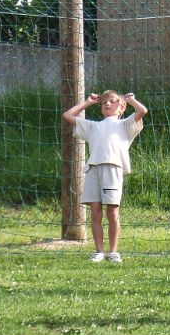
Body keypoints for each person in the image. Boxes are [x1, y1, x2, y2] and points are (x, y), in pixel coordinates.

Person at [63, 90, 148, 263]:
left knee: (112, 211)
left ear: (121, 107)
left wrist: (131, 100)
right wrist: (87, 103)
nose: (107, 104)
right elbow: (67, 115)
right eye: (104, 102)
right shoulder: (93, 126)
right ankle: (99, 251)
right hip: (93, 169)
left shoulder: (125, 124)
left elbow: (142, 111)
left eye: (112, 102)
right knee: (95, 211)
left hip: (113, 169)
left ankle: (113, 251)